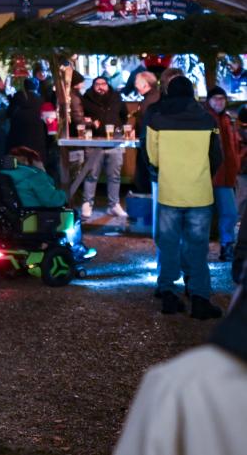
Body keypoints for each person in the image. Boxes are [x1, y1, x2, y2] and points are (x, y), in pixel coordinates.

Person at [113, 285, 247, 455]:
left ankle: (168, 291)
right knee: (194, 258)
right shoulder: (184, 385)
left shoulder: (181, 384)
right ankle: (199, 297)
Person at [146, 76, 223, 319]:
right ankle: (200, 299)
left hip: (170, 192)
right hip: (199, 193)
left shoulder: (156, 120)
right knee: (198, 247)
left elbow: (153, 158)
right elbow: (216, 156)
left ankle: (169, 295)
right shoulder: (207, 119)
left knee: (168, 245)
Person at [76, 76, 129, 219]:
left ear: (108, 85)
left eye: (103, 84)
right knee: (91, 175)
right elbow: (82, 118)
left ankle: (114, 205)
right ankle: (87, 204)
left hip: (114, 142)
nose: (100, 87)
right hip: (93, 142)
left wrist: (119, 128)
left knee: (114, 176)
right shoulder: (86, 98)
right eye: (97, 84)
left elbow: (124, 115)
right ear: (92, 86)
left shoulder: (116, 97)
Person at [205, 86, 241, 261]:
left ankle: (227, 247)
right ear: (209, 101)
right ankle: (203, 248)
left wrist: (237, 162)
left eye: (222, 99)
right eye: (216, 99)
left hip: (226, 176)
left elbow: (233, 146)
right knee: (208, 214)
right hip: (210, 175)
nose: (219, 102)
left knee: (230, 213)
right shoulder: (206, 119)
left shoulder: (227, 119)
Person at [131, 70, 160, 193]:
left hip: (149, 146)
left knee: (145, 178)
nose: (135, 85)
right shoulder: (153, 98)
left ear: (145, 84)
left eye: (137, 83)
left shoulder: (150, 101)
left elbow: (148, 124)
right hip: (149, 144)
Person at [7, 80, 47, 165]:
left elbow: (9, 114)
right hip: (36, 135)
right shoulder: (40, 100)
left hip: (19, 136)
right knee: (36, 161)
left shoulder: (16, 98)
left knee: (20, 161)